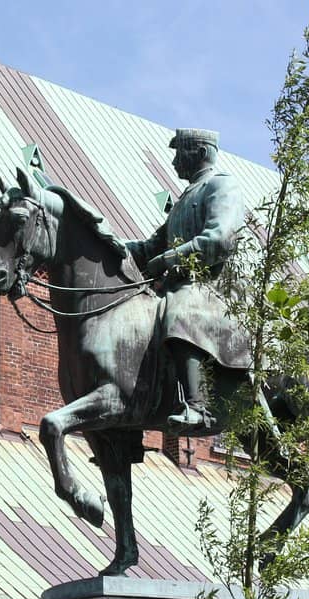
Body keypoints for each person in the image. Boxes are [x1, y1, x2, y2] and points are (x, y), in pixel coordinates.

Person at [125, 128, 251, 434]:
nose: (174, 161)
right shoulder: (185, 199)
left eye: (180, 152)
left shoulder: (222, 186)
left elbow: (221, 239)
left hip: (213, 287)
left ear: (202, 152)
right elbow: (151, 246)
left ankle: (197, 407)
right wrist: (103, 243)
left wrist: (169, 259)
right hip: (182, 285)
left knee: (179, 310)